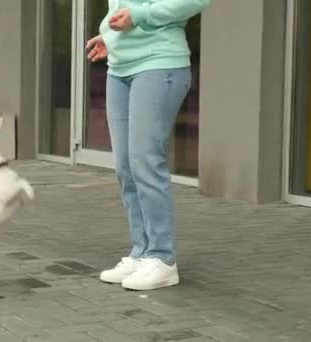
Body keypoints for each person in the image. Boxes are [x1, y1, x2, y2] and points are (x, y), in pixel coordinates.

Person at [86, 0, 210, 291]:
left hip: (159, 64)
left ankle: (162, 258)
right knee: (126, 167)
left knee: (145, 161)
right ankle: (142, 252)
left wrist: (141, 16)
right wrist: (111, 37)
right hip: (119, 70)